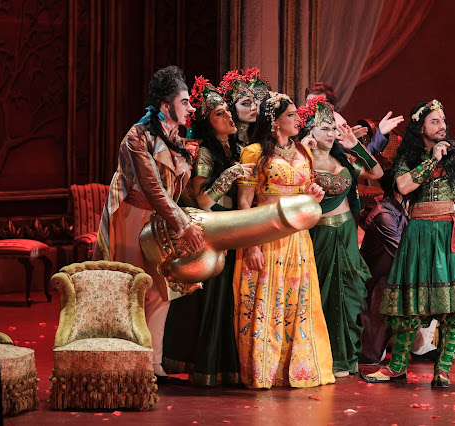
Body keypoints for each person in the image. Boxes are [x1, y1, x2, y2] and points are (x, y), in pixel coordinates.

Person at [362, 100, 455, 387]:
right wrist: (432, 160)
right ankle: (397, 366)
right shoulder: (409, 157)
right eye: (434, 121)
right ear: (420, 127)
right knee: (408, 305)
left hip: (453, 235)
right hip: (419, 235)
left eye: (443, 120)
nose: (442, 126)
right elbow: (403, 186)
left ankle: (443, 369)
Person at [95, 66, 204, 385]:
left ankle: (153, 365)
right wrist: (182, 224)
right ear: (166, 106)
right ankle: (127, 365)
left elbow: (174, 188)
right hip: (134, 218)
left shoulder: (175, 137)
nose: (190, 108)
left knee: (161, 291)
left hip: (161, 220)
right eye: (184, 102)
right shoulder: (138, 136)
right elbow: (152, 188)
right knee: (134, 289)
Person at [233, 91, 335, 388]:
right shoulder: (254, 153)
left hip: (297, 239)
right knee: (266, 301)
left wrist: (314, 196)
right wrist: (251, 244)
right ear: (275, 122)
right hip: (265, 234)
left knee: (296, 302)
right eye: (291, 115)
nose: (297, 119)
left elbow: (307, 194)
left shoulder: (303, 152)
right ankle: (264, 369)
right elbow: (245, 202)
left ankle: (297, 369)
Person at [162, 77, 253, 386]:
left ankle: (230, 367)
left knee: (231, 299)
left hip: (236, 225)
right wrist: (231, 174)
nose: (228, 117)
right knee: (216, 298)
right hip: (217, 227)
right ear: (207, 124)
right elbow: (202, 199)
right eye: (219, 114)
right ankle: (209, 367)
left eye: (227, 111)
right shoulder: (204, 153)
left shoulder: (238, 147)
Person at [297, 96, 382, 377]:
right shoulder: (301, 160)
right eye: (325, 128)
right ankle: (321, 357)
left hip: (346, 232)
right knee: (321, 294)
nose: (332, 133)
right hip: (319, 233)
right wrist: (302, 150)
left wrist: (355, 145)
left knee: (348, 296)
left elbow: (377, 172)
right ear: (309, 130)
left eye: (334, 128)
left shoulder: (342, 158)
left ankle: (344, 358)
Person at [358, 175, 436, 366]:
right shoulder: (384, 215)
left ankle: (419, 345)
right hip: (377, 287)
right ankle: (410, 344)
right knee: (371, 357)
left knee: (438, 284)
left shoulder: (401, 209)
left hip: (394, 277)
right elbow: (402, 255)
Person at [304, 81, 404, 156]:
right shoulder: (299, 125)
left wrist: (380, 134)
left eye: (317, 104)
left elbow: (366, 159)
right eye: (308, 102)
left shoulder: (339, 127)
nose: (311, 107)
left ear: (330, 108)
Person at [218, 69, 258, 156]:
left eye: (254, 102)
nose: (254, 108)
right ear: (231, 108)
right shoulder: (226, 143)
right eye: (246, 104)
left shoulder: (259, 137)